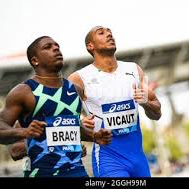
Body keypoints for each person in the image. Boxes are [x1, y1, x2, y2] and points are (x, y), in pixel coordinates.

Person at [0, 36, 111, 177]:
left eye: (57, 46)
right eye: (47, 47)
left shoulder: (75, 90)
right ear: (35, 60)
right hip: (42, 173)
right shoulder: (24, 92)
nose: (55, 49)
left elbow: (71, 126)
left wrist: (94, 136)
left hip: (77, 171)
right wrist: (25, 132)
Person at [68, 26, 162, 177]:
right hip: (109, 159)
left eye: (110, 32)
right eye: (101, 33)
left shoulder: (134, 69)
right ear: (90, 46)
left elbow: (157, 113)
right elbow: (65, 116)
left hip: (138, 158)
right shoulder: (78, 78)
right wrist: (80, 122)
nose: (109, 34)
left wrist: (145, 103)